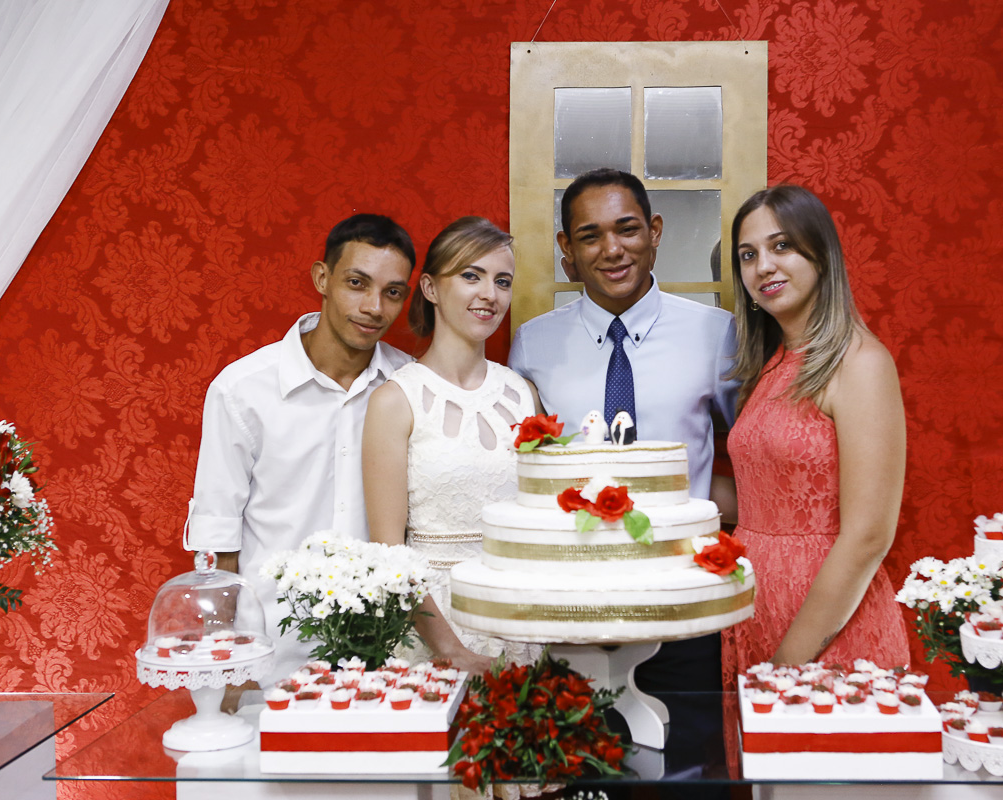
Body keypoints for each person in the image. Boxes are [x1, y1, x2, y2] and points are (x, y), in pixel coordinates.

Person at [508, 168, 737, 771]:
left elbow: (755, 450)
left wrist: (707, 509)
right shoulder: (533, 344)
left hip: (684, 607)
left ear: (654, 232)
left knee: (689, 772)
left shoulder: (716, 335)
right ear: (567, 251)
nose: (612, 249)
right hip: (570, 612)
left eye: (627, 229)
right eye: (589, 235)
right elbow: (525, 470)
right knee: (576, 775)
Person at [185, 213, 416, 680]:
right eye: (357, 282)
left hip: (383, 653)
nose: (374, 307)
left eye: (392, 292)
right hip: (270, 653)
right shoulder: (243, 389)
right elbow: (217, 535)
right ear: (322, 278)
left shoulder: (410, 386)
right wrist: (224, 660)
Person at [722, 184, 911, 682]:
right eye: (748, 254)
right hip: (754, 617)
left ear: (822, 256)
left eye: (781, 246)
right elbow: (766, 497)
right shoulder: (771, 366)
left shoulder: (861, 363)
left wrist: (787, 666)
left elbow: (870, 535)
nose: (763, 266)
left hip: (826, 633)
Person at [364, 217, 540, 676]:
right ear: (430, 288)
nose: (490, 294)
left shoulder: (524, 393)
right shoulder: (393, 401)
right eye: (470, 275)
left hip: (523, 618)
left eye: (502, 281)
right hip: (435, 628)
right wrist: (449, 649)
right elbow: (389, 554)